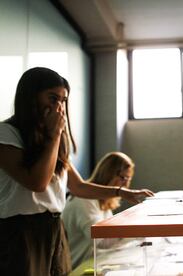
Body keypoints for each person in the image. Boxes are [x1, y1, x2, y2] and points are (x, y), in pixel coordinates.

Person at [0, 67, 154, 276]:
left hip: (53, 227)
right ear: (31, 97)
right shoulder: (7, 133)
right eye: (52, 98)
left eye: (62, 101)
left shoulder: (50, 141)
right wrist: (55, 135)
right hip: (21, 231)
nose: (58, 107)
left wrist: (122, 192)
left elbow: (78, 186)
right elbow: (37, 183)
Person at [62, 151, 151, 269]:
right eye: (123, 178)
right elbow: (101, 241)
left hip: (96, 261)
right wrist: (136, 232)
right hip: (80, 266)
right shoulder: (83, 200)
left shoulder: (104, 201)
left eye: (129, 179)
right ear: (108, 174)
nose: (126, 184)